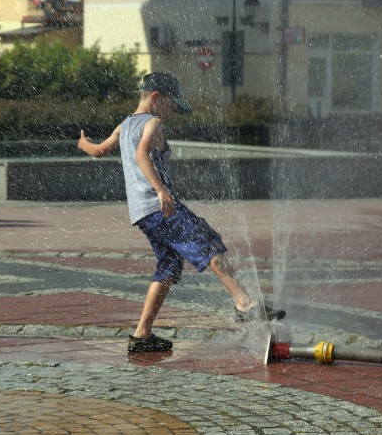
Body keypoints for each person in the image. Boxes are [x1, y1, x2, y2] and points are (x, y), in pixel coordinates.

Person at [78, 72, 285, 353]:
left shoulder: (124, 125)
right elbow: (141, 155)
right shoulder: (154, 122)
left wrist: (84, 144)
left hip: (142, 213)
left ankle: (142, 336)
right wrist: (161, 190)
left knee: (168, 267)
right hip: (160, 207)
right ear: (156, 98)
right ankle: (245, 305)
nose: (172, 110)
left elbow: (99, 150)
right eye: (171, 103)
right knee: (209, 245)